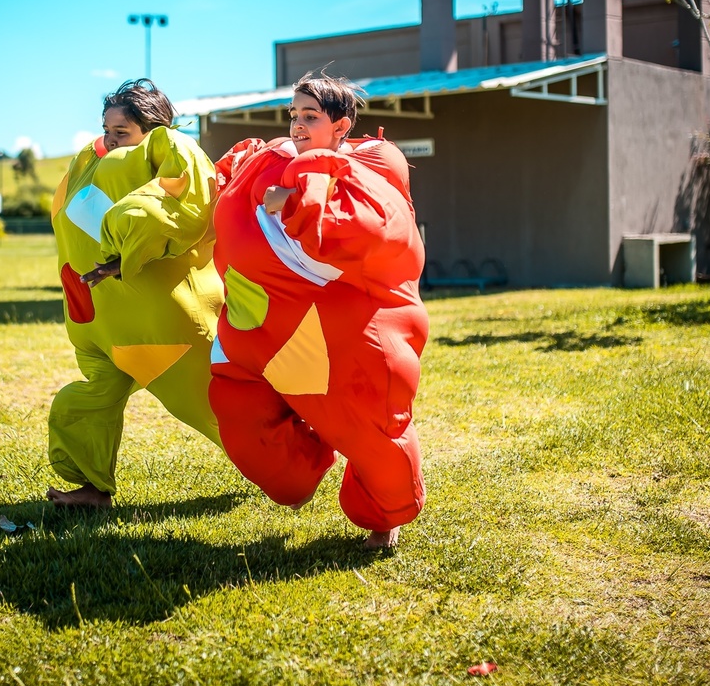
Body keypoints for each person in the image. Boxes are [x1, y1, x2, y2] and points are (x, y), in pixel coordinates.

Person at [208, 71, 428, 548]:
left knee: (374, 434)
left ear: (341, 126)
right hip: (260, 331)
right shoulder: (268, 160)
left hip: (349, 341)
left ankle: (381, 516)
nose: (298, 125)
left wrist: (295, 195)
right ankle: (303, 460)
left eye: (310, 116)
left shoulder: (365, 173)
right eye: (293, 115)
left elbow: (366, 229)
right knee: (243, 422)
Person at [46, 79, 223, 507]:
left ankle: (296, 456)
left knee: (214, 407)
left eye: (121, 132)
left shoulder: (170, 151)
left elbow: (171, 205)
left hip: (159, 326)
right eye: (107, 130)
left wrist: (125, 249)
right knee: (90, 402)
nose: (109, 140)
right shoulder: (90, 160)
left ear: (154, 128)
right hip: (102, 323)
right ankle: (93, 489)